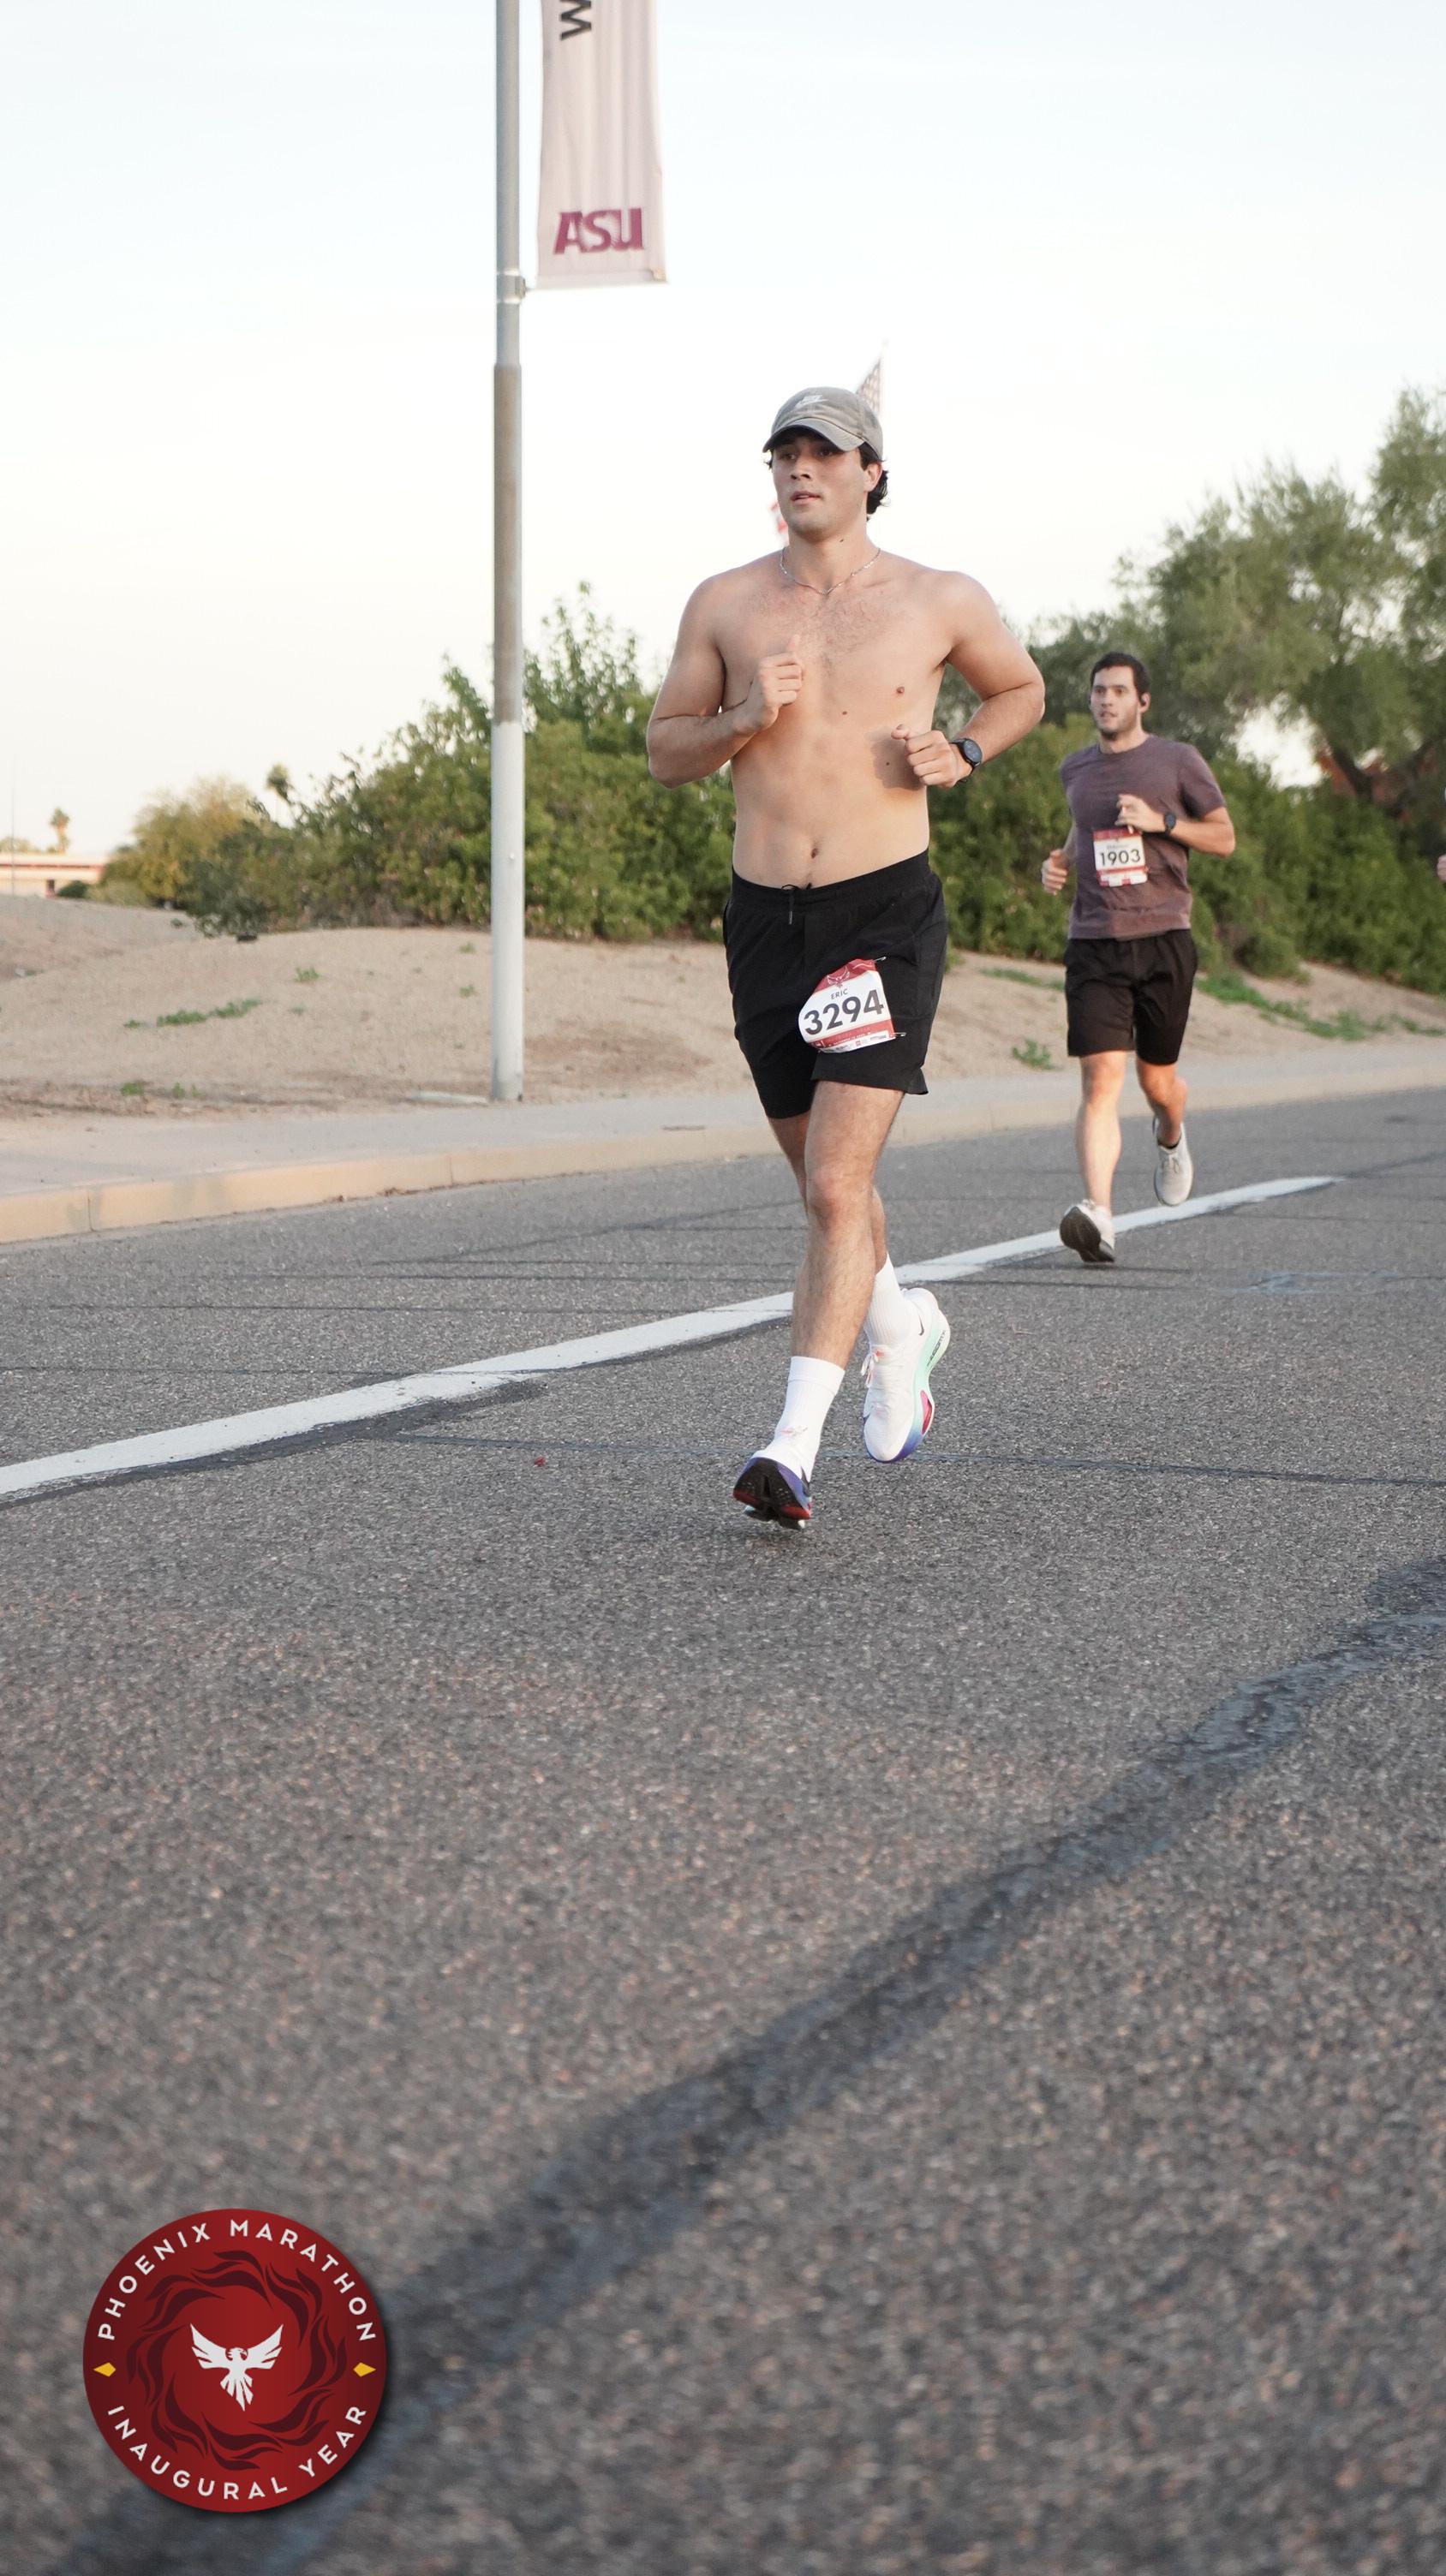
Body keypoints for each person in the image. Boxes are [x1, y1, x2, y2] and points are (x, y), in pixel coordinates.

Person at [647, 385, 1044, 1524]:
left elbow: (1020, 688)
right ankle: (900, 1324)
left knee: (833, 1184)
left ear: (871, 470)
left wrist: (963, 751)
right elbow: (665, 751)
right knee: (829, 1187)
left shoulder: (937, 598)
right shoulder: (725, 604)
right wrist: (738, 722)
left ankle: (790, 1447)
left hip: (880, 918)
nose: (799, 469)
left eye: (823, 452)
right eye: (784, 453)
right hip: (765, 922)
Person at [1041, 651, 1235, 1264]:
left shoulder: (1178, 761)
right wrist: (1061, 862)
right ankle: (1099, 1214)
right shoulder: (1076, 768)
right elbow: (1084, 828)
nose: (1106, 700)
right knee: (1100, 1078)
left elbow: (1224, 837)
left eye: (1119, 691)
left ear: (1143, 701)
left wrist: (1162, 820)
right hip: (1094, 940)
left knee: (1158, 1083)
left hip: (1163, 939)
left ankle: (1171, 1134)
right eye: (1099, 690)